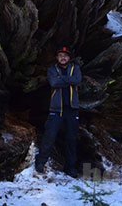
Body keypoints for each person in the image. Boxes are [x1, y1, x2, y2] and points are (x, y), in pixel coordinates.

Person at [35, 46, 82, 178]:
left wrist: (62, 79)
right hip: (56, 110)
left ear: (69, 58)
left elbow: (77, 80)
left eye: (65, 55)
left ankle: (70, 167)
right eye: (60, 55)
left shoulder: (75, 68)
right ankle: (40, 163)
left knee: (71, 139)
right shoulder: (52, 69)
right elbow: (54, 82)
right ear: (57, 57)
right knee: (49, 137)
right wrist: (69, 79)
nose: (63, 57)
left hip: (72, 110)